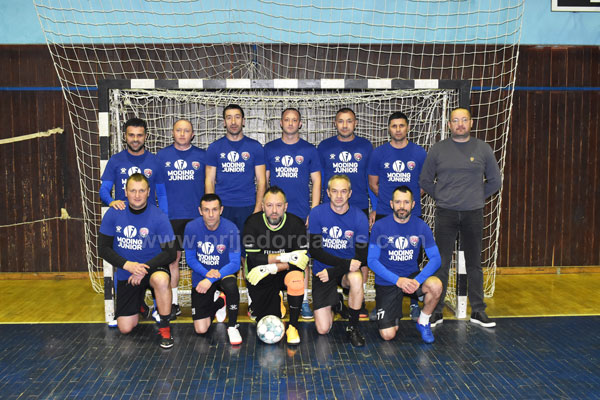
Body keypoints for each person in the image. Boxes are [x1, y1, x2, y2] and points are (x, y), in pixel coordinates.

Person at [419, 107, 502, 328]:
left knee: (474, 263)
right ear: (449, 125)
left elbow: (495, 181)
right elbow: (425, 180)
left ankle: (478, 311)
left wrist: (476, 197)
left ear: (471, 123)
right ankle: (436, 310)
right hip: (445, 213)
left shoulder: (483, 148)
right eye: (455, 120)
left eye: (464, 120)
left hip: (473, 213)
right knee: (441, 263)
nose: (460, 124)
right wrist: (442, 196)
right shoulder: (438, 149)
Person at [98, 173, 176, 348]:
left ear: (149, 192)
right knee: (125, 328)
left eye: (141, 191)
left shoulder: (159, 216)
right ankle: (139, 303)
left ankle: (165, 328)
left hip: (153, 267)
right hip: (128, 271)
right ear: (125, 192)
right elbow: (102, 248)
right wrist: (128, 265)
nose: (137, 195)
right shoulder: (113, 213)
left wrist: (143, 268)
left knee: (161, 280)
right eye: (133, 191)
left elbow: (171, 253)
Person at [367, 111, 427, 321]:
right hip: (385, 213)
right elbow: (373, 183)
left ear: (407, 128)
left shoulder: (419, 153)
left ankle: (413, 303)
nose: (398, 129)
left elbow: (424, 184)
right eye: (394, 126)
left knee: (412, 258)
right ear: (389, 129)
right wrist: (388, 204)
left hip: (412, 215)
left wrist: (407, 204)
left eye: (402, 125)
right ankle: (381, 303)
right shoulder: (379, 153)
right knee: (383, 259)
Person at [264, 107, 322, 319]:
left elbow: (317, 181)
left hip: (300, 214)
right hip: (274, 215)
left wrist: (314, 210)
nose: (290, 123)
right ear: (281, 123)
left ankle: (303, 300)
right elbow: (264, 181)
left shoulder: (309, 150)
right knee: (276, 256)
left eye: (294, 120)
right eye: (286, 119)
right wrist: (265, 210)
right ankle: (276, 297)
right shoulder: (270, 148)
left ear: (300, 124)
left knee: (301, 258)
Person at [368, 186, 442, 344]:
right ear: (391, 204)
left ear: (413, 204)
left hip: (411, 278)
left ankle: (423, 321)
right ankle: (392, 312)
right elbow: (372, 261)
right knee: (388, 335)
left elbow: (436, 259)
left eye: (406, 202)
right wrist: (397, 280)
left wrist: (417, 281)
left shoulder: (421, 226)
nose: (402, 206)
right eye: (398, 202)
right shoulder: (380, 226)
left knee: (435, 285)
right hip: (387, 280)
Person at [317, 107, 373, 317]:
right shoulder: (325, 146)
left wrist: (375, 207)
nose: (345, 125)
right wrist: (319, 207)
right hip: (331, 208)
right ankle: (332, 293)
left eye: (349, 121)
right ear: (335, 123)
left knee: (361, 255)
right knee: (332, 246)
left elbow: (370, 178)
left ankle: (359, 298)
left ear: (355, 123)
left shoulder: (365, 146)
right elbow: (321, 178)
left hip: (359, 206)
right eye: (341, 121)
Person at [243, 187, 310, 345]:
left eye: (279, 205)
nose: (274, 211)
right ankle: (276, 300)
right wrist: (285, 257)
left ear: (285, 206)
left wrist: (272, 267)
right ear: (262, 206)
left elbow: (300, 261)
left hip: (282, 271)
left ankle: (293, 327)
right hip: (261, 273)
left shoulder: (296, 224)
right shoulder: (252, 223)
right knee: (268, 318)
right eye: (269, 205)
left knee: (296, 279)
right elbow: (254, 259)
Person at [308, 175, 369, 347]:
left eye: (343, 191)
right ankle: (337, 303)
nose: (339, 196)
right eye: (334, 191)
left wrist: (335, 271)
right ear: (328, 193)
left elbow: (362, 255)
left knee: (356, 278)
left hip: (344, 272)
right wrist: (342, 265)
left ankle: (353, 327)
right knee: (323, 329)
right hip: (322, 271)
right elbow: (315, 251)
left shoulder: (359, 217)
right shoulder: (317, 213)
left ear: (350, 193)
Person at [157, 119, 206, 319]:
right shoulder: (162, 156)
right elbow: (158, 188)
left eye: (186, 131)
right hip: (171, 218)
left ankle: (203, 299)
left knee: (203, 258)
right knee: (173, 260)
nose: (182, 134)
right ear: (172, 133)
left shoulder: (202, 156)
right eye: (179, 130)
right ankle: (174, 302)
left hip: (197, 217)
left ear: (193, 134)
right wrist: (163, 214)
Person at [184, 193, 242, 345]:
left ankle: (232, 326)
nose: (211, 214)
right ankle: (220, 302)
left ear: (221, 210)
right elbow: (190, 259)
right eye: (206, 210)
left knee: (231, 286)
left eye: (214, 209)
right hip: (202, 275)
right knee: (201, 329)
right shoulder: (191, 228)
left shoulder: (231, 229)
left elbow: (235, 263)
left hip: (224, 273)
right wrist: (206, 274)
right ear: (200, 210)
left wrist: (211, 279)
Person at [205, 104, 266, 233]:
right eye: (229, 118)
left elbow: (262, 181)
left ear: (243, 121)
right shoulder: (214, 148)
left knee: (247, 245)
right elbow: (209, 181)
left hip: (248, 205)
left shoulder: (255, 147)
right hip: (222, 206)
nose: (233, 122)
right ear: (224, 122)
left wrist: (258, 209)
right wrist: (212, 208)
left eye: (237, 117)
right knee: (223, 244)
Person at [100, 117, 168, 214]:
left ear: (146, 136)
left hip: (149, 217)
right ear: (125, 136)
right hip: (123, 216)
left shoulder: (155, 161)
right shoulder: (115, 160)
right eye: (131, 135)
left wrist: (164, 217)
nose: (135, 139)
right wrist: (111, 201)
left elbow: (162, 195)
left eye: (139, 135)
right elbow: (104, 189)